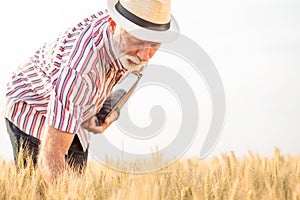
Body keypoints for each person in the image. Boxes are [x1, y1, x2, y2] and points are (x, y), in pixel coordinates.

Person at [4, 0, 179, 181]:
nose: (145, 55)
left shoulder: (135, 44)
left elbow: (134, 75)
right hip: (32, 103)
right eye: (138, 41)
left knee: (77, 180)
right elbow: (50, 157)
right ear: (113, 26)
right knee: (41, 185)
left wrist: (112, 108)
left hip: (75, 105)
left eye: (154, 45)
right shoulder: (80, 69)